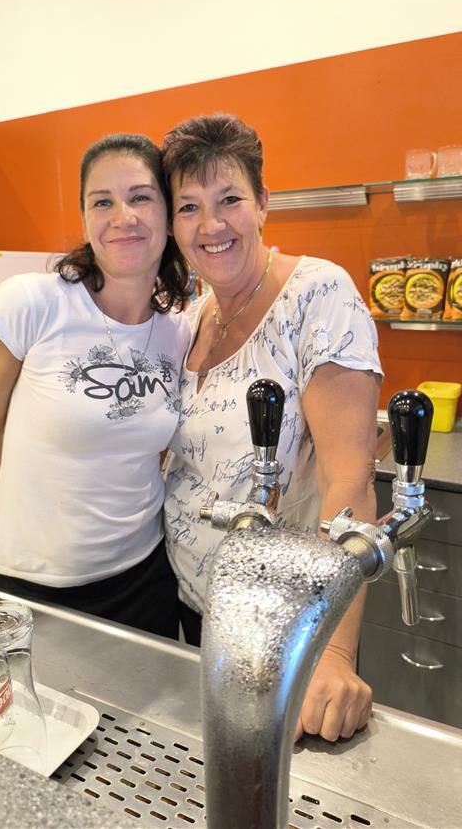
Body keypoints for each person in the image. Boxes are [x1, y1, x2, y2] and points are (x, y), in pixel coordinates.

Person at [0, 134, 191, 639]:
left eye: (140, 197)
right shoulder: (30, 304)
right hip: (32, 584)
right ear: (84, 219)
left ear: (168, 216)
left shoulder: (179, 330)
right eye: (102, 202)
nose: (123, 216)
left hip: (147, 576)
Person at [161, 113, 383, 737]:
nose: (211, 225)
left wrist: (334, 654)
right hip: (189, 607)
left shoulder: (317, 294)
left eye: (229, 199)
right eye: (189, 207)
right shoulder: (192, 315)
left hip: (287, 623)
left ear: (262, 203)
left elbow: (350, 480)